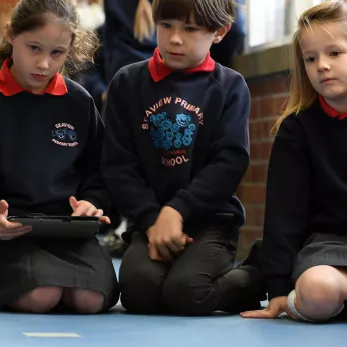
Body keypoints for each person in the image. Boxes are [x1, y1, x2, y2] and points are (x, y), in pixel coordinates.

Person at [0, 0, 119, 314]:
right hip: (12, 234)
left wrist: (92, 202)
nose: (44, 63)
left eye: (56, 53)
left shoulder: (79, 101)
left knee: (91, 300)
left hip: (69, 234)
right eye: (34, 48)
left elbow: (98, 173)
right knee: (40, 297)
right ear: (11, 35)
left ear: (70, 49)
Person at [102, 0, 262, 315]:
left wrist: (177, 211)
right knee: (138, 292)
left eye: (190, 29)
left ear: (219, 31)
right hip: (149, 222)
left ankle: (257, 277)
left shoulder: (230, 86)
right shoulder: (127, 82)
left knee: (187, 292)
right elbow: (118, 165)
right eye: (166, 26)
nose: (175, 38)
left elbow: (229, 162)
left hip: (211, 222)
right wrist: (151, 220)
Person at [241, 0, 347, 323]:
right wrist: (276, 288)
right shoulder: (297, 128)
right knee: (317, 290)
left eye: (335, 53)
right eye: (310, 58)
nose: (322, 66)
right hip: (327, 249)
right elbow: (283, 214)